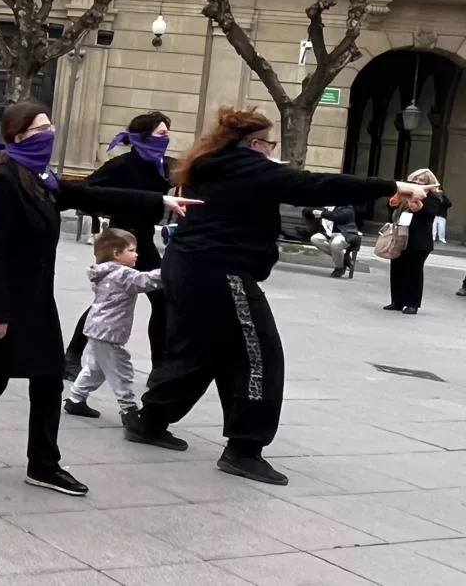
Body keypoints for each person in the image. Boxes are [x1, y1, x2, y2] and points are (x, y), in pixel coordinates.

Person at [124, 106, 429, 486]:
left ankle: (149, 420)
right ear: (254, 143)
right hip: (222, 273)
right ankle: (244, 448)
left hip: (186, 267)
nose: (272, 151)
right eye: (269, 144)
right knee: (258, 355)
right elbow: (316, 184)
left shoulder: (210, 162)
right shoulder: (250, 168)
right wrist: (393, 186)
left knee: (197, 351)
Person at [0, 101, 193, 497]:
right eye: (41, 127)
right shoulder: (2, 181)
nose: (50, 132)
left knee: (47, 381)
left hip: (36, 302)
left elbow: (91, 194)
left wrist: (159, 202)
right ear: (19, 136)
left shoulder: (40, 179)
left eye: (49, 125)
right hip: (3, 304)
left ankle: (44, 464)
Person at [64, 112, 173, 379]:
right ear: (144, 137)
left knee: (163, 301)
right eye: (161, 134)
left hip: (144, 240)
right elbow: (87, 191)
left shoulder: (164, 166)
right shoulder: (120, 165)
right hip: (119, 240)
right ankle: (71, 356)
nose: (166, 138)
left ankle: (159, 367)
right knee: (109, 299)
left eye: (168, 133)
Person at [64, 228, 163, 421]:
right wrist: (171, 270)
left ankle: (76, 399)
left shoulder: (104, 273)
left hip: (97, 328)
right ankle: (129, 409)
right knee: (121, 370)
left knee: (95, 368)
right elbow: (148, 280)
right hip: (109, 332)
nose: (137, 254)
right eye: (132, 250)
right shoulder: (123, 275)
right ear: (117, 254)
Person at [386, 168, 448, 314]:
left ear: (429, 183)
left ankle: (412, 303)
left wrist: (415, 198)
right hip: (401, 236)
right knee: (397, 268)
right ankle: (397, 301)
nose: (418, 182)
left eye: (422, 181)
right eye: (416, 179)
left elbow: (427, 213)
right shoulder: (403, 194)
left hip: (419, 240)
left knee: (414, 271)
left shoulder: (433, 197)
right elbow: (391, 208)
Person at [307, 205, 361, 278]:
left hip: (345, 234)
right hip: (328, 234)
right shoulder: (324, 207)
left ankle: (339, 268)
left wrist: (322, 213)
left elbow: (338, 216)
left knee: (335, 243)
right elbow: (306, 210)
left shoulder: (347, 207)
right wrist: (313, 211)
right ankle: (343, 259)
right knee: (315, 239)